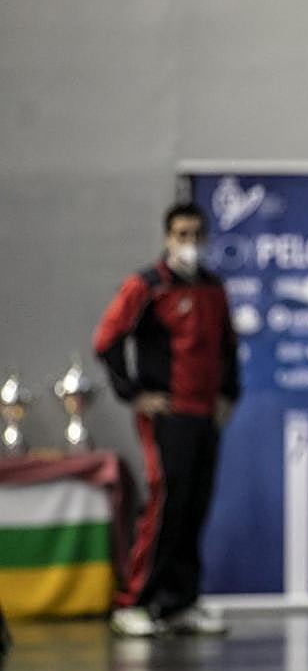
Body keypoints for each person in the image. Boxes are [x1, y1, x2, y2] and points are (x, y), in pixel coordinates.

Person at [93, 203, 239, 637]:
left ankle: (179, 602)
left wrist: (229, 395)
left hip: (205, 417)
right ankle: (134, 602)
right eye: (181, 235)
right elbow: (107, 340)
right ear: (167, 238)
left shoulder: (213, 288)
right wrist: (134, 394)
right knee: (165, 505)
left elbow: (228, 346)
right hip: (167, 416)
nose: (189, 243)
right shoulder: (147, 286)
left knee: (194, 506)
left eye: (196, 235)